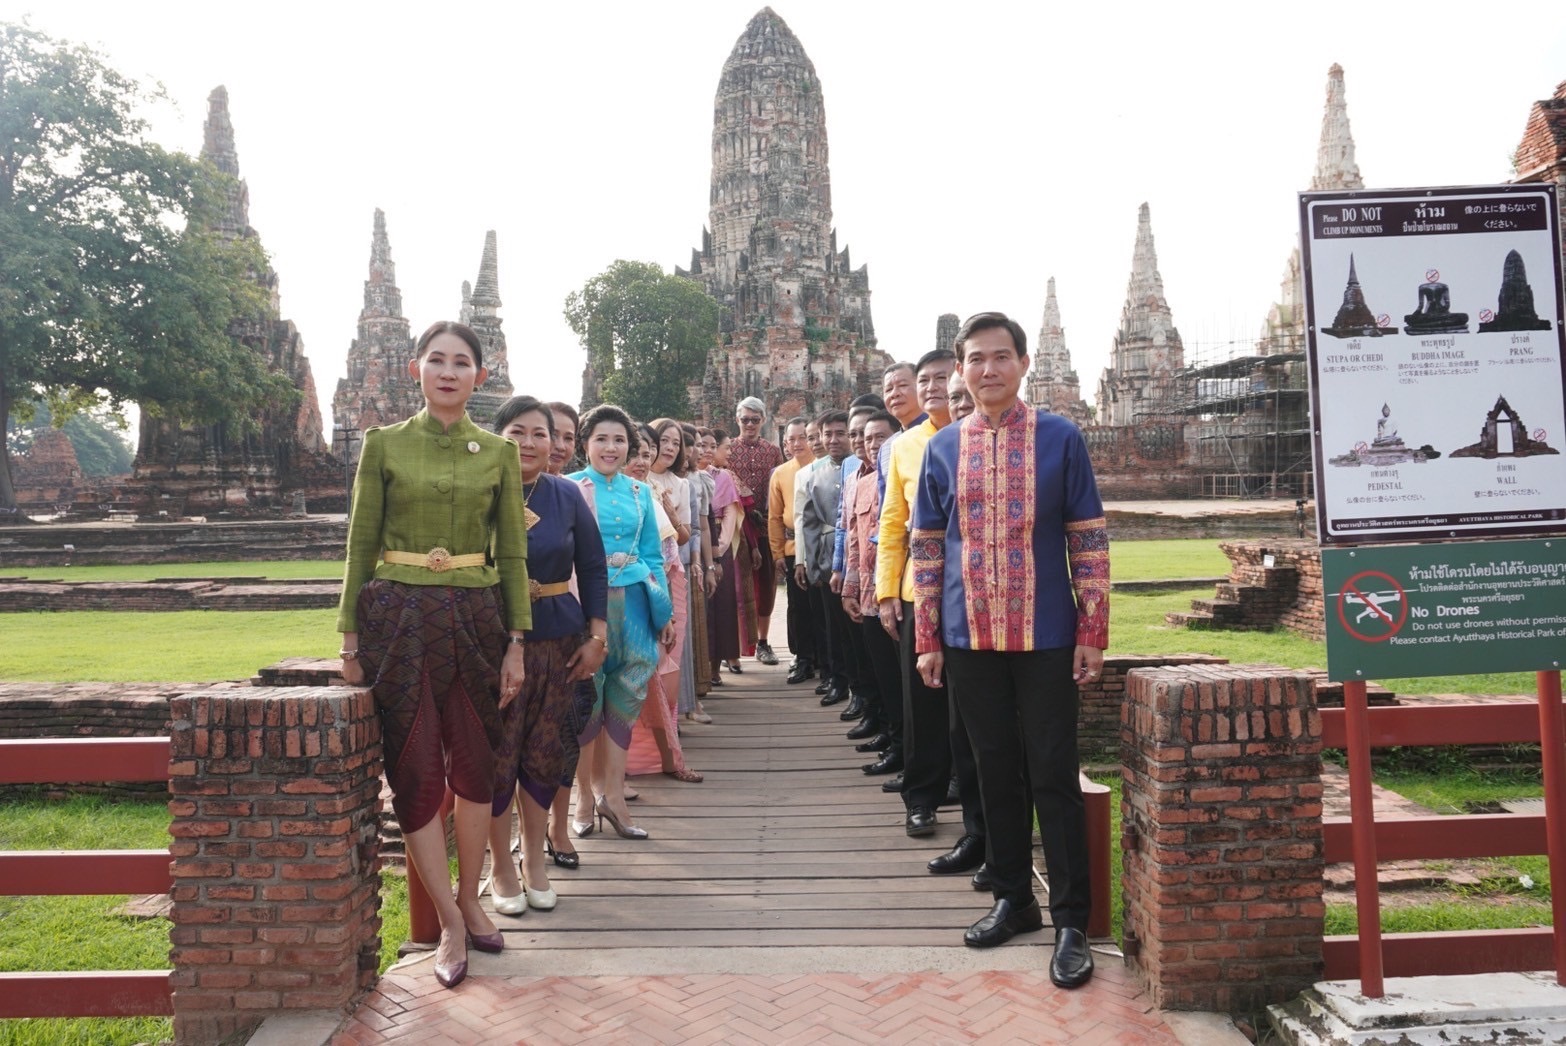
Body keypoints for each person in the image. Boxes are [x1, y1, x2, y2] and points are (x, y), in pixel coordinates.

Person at [912, 311, 1108, 989]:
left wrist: (1092, 631)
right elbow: (927, 550)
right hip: (969, 636)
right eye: (977, 358)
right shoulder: (943, 448)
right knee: (991, 770)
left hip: (1046, 633)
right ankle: (1014, 897)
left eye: (1001, 356)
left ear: (1024, 364)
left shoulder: (1060, 438)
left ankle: (1071, 920)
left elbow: (1087, 538)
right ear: (961, 369)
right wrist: (928, 639)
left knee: (1053, 772)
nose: (989, 369)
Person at [336, 320, 529, 989]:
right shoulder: (384, 444)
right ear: (415, 368)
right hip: (399, 619)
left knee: (478, 765)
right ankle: (449, 919)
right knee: (415, 768)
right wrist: (349, 637)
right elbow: (360, 544)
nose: (449, 372)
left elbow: (513, 554)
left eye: (462, 362)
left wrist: (517, 642)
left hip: (477, 618)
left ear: (480, 375)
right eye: (437, 360)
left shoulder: (498, 453)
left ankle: (472, 897)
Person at [484, 396, 607, 915]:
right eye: (518, 432)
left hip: (558, 637)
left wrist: (597, 635)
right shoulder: (479, 490)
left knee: (544, 748)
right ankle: (500, 863)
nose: (530, 443)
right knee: (498, 752)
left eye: (541, 433)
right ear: (497, 436)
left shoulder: (566, 494)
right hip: (492, 642)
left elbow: (593, 566)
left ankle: (534, 858)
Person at [875, 347, 984, 856]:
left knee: (972, 708)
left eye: (942, 378)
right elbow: (892, 523)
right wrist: (884, 592)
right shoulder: (904, 446)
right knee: (921, 702)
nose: (933, 388)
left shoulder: (981, 437)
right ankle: (921, 798)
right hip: (918, 591)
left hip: (976, 593)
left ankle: (975, 810)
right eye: (925, 381)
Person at [568, 405, 675, 841]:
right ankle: (582, 797)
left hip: (634, 604)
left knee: (627, 694)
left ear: (630, 446)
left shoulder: (640, 493)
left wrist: (663, 613)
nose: (610, 448)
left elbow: (653, 556)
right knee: (585, 695)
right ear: (585, 444)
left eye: (619, 440)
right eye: (601, 439)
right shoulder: (569, 488)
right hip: (585, 605)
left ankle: (613, 795)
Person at [626, 420, 704, 784]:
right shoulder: (605, 493)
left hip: (667, 588)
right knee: (638, 678)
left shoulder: (653, 492)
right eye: (636, 452)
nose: (643, 460)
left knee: (664, 674)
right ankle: (626, 765)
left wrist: (664, 608)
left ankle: (666, 754)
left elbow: (674, 543)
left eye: (649, 452)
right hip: (630, 593)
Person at [842, 409, 903, 764]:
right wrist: (849, 586)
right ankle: (892, 739)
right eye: (867, 439)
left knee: (899, 677)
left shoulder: (899, 473)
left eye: (881, 437)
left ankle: (904, 747)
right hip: (868, 591)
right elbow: (853, 537)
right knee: (880, 672)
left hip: (894, 590)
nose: (873, 444)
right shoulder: (859, 479)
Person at [797, 410, 853, 707]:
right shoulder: (815, 474)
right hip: (829, 555)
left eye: (840, 433)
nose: (833, 440)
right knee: (833, 624)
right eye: (827, 434)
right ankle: (837, 679)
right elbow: (809, 523)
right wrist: (813, 563)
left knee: (858, 630)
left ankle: (861, 688)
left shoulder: (863, 466)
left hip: (860, 558)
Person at [727, 396, 784, 665]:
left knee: (766, 586)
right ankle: (734, 646)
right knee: (735, 586)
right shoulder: (728, 449)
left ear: (763, 420)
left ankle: (762, 642)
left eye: (755, 420)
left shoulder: (772, 451)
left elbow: (778, 488)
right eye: (745, 419)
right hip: (736, 528)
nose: (749, 424)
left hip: (764, 527)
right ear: (737, 420)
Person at [767, 417, 816, 685]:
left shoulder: (824, 466)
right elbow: (775, 517)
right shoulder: (781, 473)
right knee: (797, 606)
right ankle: (802, 657)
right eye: (791, 439)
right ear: (784, 444)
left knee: (821, 607)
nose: (797, 444)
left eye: (802, 438)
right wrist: (777, 553)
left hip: (821, 547)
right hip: (792, 548)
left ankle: (825, 660)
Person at [707, 428, 745, 678]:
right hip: (694, 546)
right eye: (702, 445)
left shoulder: (723, 477)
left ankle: (717, 665)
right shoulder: (685, 477)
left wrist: (718, 549)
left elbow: (730, 514)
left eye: (712, 446)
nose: (707, 451)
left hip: (720, 544)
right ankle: (703, 668)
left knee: (723, 605)